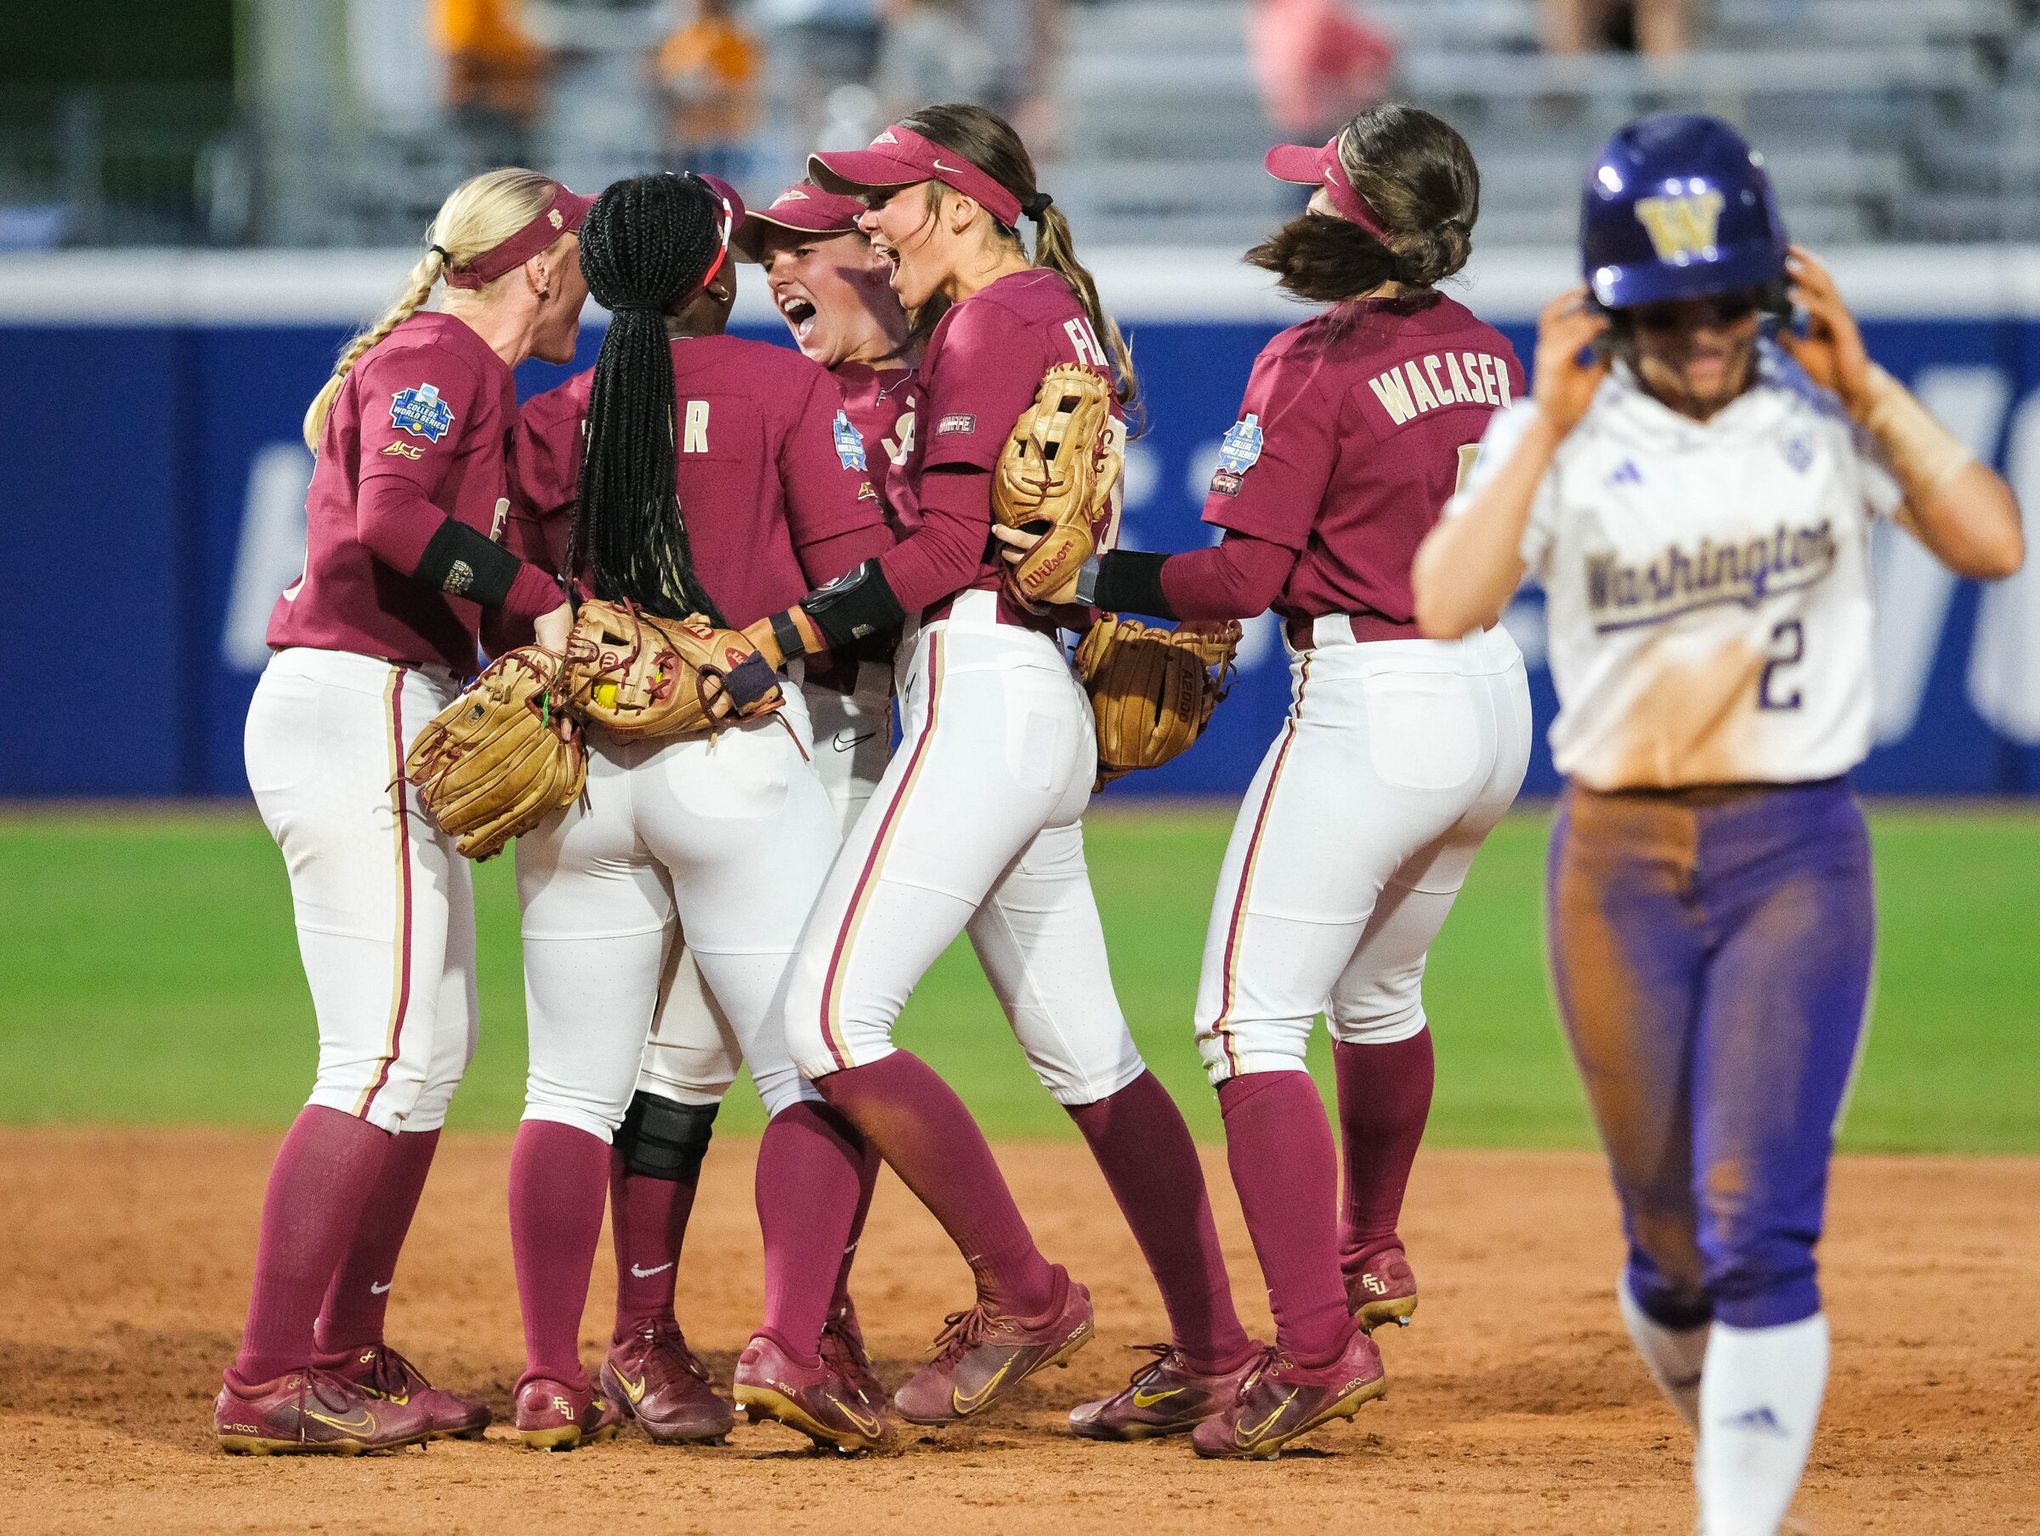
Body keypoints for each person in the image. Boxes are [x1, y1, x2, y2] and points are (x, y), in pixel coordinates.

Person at [1411, 114, 2022, 1534]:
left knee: (1759, 1231)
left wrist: (1873, 390)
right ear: (1614, 305)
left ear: (1770, 289)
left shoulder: (1823, 417)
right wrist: (1547, 425)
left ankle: (1736, 1517)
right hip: (1615, 865)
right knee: (1674, 1248)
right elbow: (1445, 602)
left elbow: (1992, 541)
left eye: (1726, 300)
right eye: (1669, 308)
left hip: (1793, 850)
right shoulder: (1557, 430)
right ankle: (1726, 1435)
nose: (1701, 333)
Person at [1002, 103, 1532, 1458]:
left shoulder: (1313, 358)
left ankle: (1308, 1348)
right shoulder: (1485, 352)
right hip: (1490, 702)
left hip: (1378, 702)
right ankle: (1366, 1251)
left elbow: (1237, 579)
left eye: (1321, 193)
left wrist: (1085, 581)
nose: (1302, 208)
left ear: (1357, 219)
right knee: (1380, 992)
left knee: (1246, 1025)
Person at [732, 104, 1258, 1440]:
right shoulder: (1052, 314)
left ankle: (1024, 1292)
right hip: (1025, 701)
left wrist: (780, 634)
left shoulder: (990, 320)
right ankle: (1215, 1349)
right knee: (1093, 1056)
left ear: (959, 203)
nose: (868, 227)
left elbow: (947, 554)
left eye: (886, 204)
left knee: (835, 1022)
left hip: (983, 688)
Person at [499, 171, 897, 1451]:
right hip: (737, 759)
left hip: (586, 770)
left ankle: (562, 1373)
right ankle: (792, 1341)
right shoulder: (788, 388)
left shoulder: (557, 412)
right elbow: (852, 585)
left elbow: (510, 595)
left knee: (565, 1094)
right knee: (810, 1071)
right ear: (713, 276)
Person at [217, 169, 590, 1454]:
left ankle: (345, 1351)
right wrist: (537, 602)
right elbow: (388, 517)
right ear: (539, 263)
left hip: (388, 698)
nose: (586, 288)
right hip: (355, 701)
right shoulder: (444, 354)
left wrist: (530, 620)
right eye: (581, 262)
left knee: (429, 1052)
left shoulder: (465, 368)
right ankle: (270, 1378)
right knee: (377, 1054)